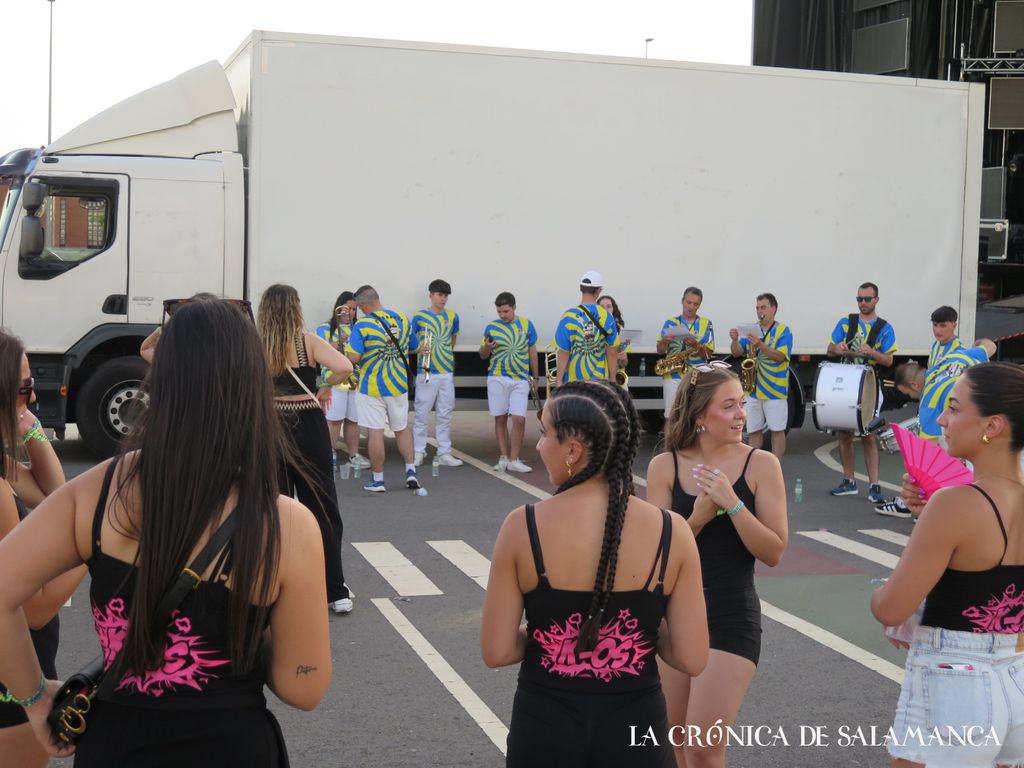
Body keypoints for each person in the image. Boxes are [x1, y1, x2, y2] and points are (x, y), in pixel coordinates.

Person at [0, 300, 332, 765]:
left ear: (157, 382)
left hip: (116, 744)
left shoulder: (100, 490)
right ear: (253, 389)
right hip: (233, 747)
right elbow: (304, 687)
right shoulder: (286, 524)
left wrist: (34, 699)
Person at [481, 380, 708, 767]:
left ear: (573, 450)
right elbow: (691, 657)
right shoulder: (672, 531)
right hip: (636, 732)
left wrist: (556, 636)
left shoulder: (523, 526)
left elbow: (497, 651)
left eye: (544, 434)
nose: (539, 446)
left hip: (545, 729)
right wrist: (635, 627)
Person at [871, 362, 1024, 768]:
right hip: (1017, 677)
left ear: (992, 425)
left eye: (954, 408)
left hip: (954, 684)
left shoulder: (954, 503)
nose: (941, 419)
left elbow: (891, 608)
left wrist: (879, 593)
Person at [646, 361, 788, 768]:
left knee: (703, 749)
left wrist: (734, 504)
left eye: (742, 403)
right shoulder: (665, 466)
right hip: (673, 618)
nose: (741, 414)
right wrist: (699, 517)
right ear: (699, 416)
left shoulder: (761, 464)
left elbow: (774, 551)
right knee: (673, 744)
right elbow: (656, 557)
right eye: (729, 406)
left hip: (730, 614)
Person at [0, 330, 85, 768]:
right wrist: (91, 543)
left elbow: (53, 498)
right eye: (23, 388)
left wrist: (29, 426)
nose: (33, 397)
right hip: (11, 679)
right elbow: (33, 608)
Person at [258, 283, 355, 614]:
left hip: (271, 423)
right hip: (308, 423)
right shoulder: (307, 341)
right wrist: (324, 385)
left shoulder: (257, 344)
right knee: (322, 506)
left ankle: (277, 585)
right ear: (295, 309)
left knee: (276, 507)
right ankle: (336, 590)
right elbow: (345, 367)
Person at [876, 305, 995, 519]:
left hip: (951, 417)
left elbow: (988, 347)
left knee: (936, 463)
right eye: (935, 325)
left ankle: (927, 507)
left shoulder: (957, 352)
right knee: (950, 464)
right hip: (953, 414)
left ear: (954, 325)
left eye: (943, 325)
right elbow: (989, 347)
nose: (938, 330)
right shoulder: (940, 349)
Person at [826, 282, 897, 504]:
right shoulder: (846, 322)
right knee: (844, 433)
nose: (863, 303)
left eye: (867, 299)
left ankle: (874, 485)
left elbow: (889, 360)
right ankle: (849, 481)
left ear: (876, 300)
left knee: (869, 435)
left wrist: (872, 352)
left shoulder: (885, 328)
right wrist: (837, 349)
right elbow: (830, 349)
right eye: (859, 299)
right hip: (847, 384)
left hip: (870, 385)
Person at [346, 284, 421, 492]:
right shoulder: (402, 318)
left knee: (375, 432)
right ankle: (411, 471)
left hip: (372, 387)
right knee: (401, 428)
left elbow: (353, 357)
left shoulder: (362, 325)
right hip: (398, 384)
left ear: (362, 305)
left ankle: (378, 480)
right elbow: (414, 346)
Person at [729, 293, 793, 459]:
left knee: (777, 431)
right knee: (753, 430)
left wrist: (760, 345)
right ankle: (753, 466)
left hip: (774, 389)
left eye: (763, 307)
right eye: (757, 308)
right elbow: (737, 353)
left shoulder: (783, 331)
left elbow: (781, 356)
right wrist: (735, 340)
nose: (759, 311)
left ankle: (776, 467)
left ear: (773, 309)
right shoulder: (752, 329)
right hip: (753, 389)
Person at [480, 292, 539, 473]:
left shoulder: (527, 325)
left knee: (519, 419)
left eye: (506, 311)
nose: (502, 315)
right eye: (499, 312)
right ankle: (504, 458)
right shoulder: (491, 327)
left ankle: (514, 459)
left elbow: (532, 352)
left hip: (520, 378)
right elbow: (482, 355)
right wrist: (487, 347)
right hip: (497, 377)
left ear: (514, 307)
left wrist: (536, 378)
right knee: (500, 418)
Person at [411, 279, 464, 468]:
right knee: (421, 413)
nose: (443, 299)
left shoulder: (453, 316)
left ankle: (444, 452)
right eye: (440, 295)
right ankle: (418, 451)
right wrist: (419, 349)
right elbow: (411, 341)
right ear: (431, 295)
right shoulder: (419, 317)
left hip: (446, 372)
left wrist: (444, 355)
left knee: (445, 413)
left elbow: (453, 338)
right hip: (426, 371)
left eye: (446, 295)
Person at [315, 291, 370, 470]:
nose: (351, 313)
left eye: (354, 310)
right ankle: (328, 454)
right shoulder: (325, 328)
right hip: (334, 380)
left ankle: (354, 455)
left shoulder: (359, 327)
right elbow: (318, 351)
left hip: (355, 380)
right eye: (347, 309)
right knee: (334, 420)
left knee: (353, 420)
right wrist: (336, 344)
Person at [554, 270, 620, 385]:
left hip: (573, 382)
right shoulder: (607, 316)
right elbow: (612, 352)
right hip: (600, 381)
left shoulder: (568, 316)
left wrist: (559, 380)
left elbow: (563, 352)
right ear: (598, 290)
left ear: (581, 288)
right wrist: (613, 379)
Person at [657, 287, 715, 419]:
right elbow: (660, 350)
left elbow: (708, 355)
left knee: (696, 416)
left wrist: (696, 345)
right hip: (672, 374)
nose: (691, 307)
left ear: (699, 305)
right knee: (671, 416)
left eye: (695, 304)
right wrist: (664, 342)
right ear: (682, 301)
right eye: (689, 302)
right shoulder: (671, 322)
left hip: (697, 376)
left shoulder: (707, 324)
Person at [598, 294, 629, 376]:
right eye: (602, 307)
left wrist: (623, 359)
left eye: (608, 307)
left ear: (613, 310)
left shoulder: (620, 329)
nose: (605, 310)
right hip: (598, 376)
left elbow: (624, 364)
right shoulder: (591, 329)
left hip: (617, 376)